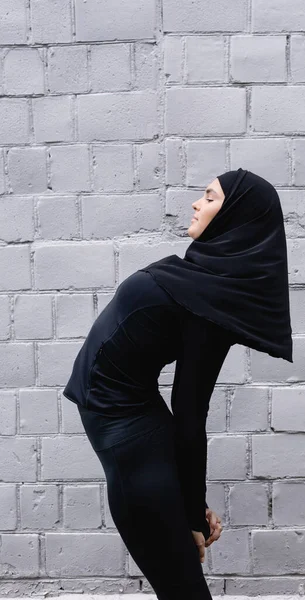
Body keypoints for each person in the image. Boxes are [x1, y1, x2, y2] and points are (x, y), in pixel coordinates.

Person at [62, 168, 293, 600]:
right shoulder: (199, 279)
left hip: (133, 444)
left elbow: (191, 412)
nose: (195, 203)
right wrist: (189, 506)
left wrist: (190, 513)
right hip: (136, 438)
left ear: (235, 217)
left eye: (209, 197)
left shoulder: (211, 305)